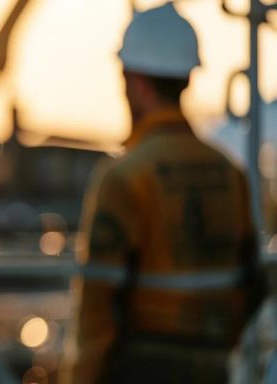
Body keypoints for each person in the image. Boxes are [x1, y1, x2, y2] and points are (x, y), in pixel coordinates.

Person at [60, 4, 267, 383]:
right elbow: (254, 282)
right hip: (214, 367)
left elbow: (95, 316)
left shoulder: (125, 178)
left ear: (135, 80)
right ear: (186, 78)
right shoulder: (231, 174)